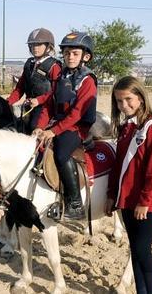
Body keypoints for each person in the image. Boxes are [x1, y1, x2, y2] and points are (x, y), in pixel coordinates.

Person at [105, 76, 152, 294]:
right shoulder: (126, 127)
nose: (124, 105)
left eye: (129, 99)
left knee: (143, 252)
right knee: (135, 251)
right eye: (119, 101)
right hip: (127, 201)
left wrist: (145, 201)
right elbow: (117, 166)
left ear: (141, 98)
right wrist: (112, 195)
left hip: (147, 204)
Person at [33, 32, 98, 220]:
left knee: (61, 154)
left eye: (75, 53)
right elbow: (49, 104)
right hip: (59, 122)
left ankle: (75, 203)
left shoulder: (87, 81)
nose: (70, 57)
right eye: (67, 53)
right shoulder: (61, 76)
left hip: (77, 127)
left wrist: (53, 131)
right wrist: (40, 126)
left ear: (85, 57)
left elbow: (77, 113)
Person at [7, 28, 62, 134]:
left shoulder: (54, 66)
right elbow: (20, 88)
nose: (35, 48)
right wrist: (7, 103)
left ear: (48, 46)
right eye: (32, 45)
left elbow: (56, 91)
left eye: (39, 44)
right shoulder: (29, 64)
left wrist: (39, 100)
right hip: (29, 106)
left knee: (33, 127)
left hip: (46, 107)